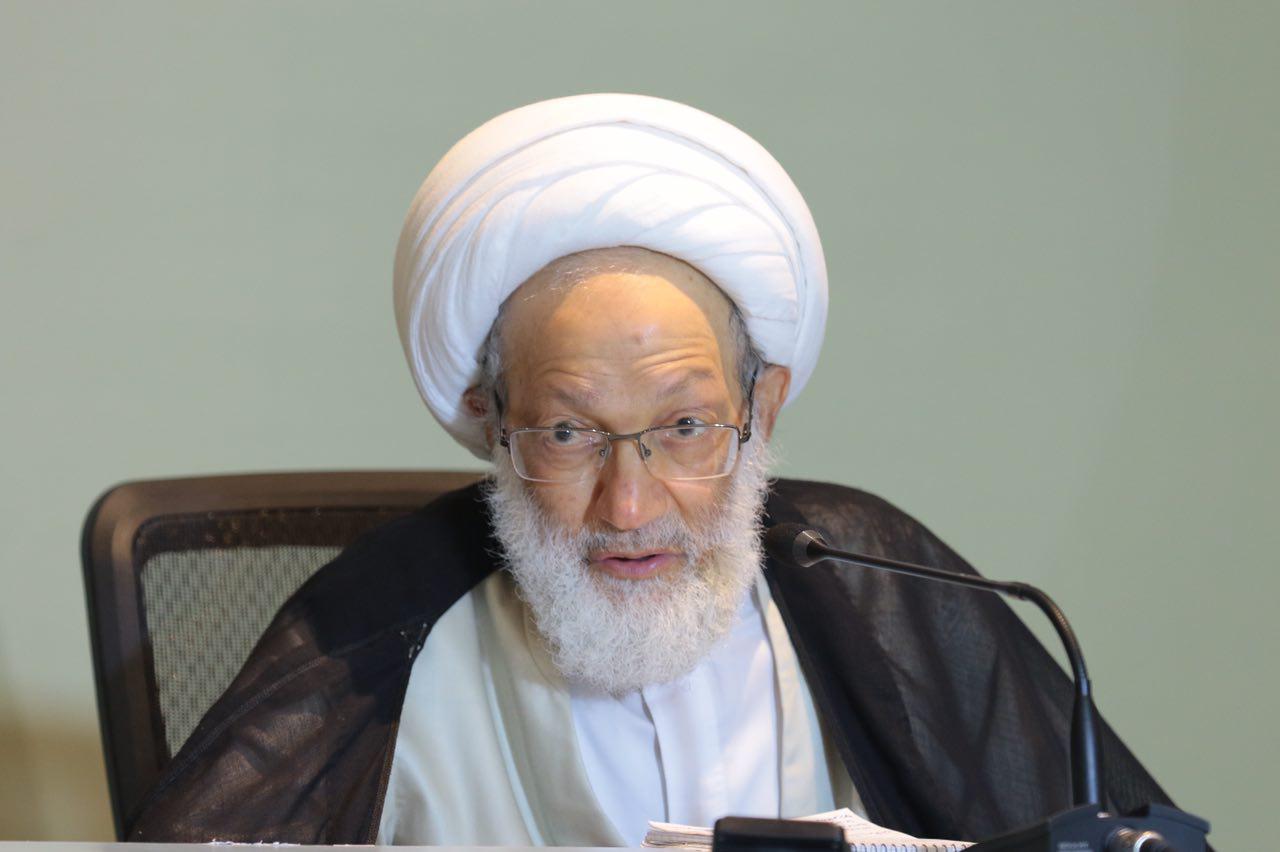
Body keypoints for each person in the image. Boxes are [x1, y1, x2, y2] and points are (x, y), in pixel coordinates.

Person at [129, 94, 1172, 845]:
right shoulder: (375, 622)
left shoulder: (862, 576)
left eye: (683, 427)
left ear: (761, 410)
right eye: (568, 434)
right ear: (492, 422)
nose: (627, 507)